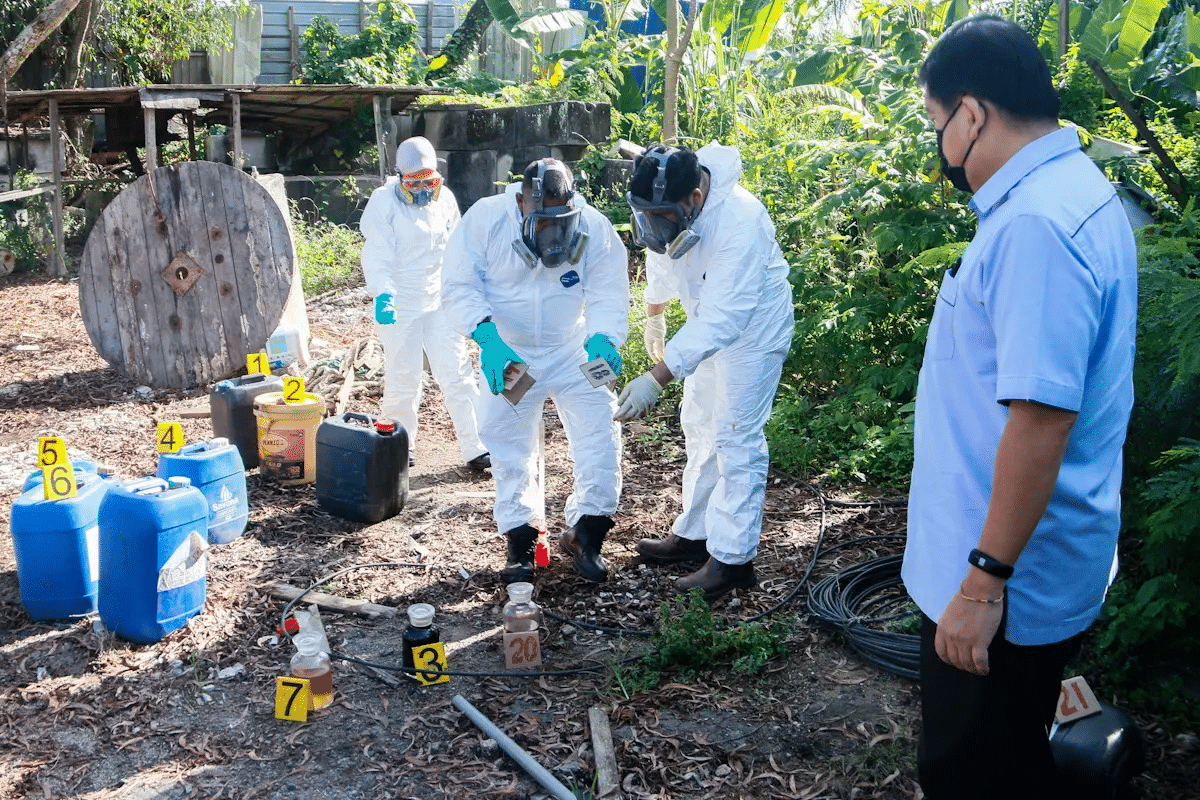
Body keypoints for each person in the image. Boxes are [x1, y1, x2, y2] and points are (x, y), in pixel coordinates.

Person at [902, 16, 1137, 800]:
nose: (939, 147)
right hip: (1018, 561)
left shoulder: (1037, 226)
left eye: (938, 125)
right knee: (1007, 753)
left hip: (1002, 584)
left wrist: (979, 588)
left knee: (973, 774)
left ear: (972, 114)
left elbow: (1043, 420)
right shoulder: (1075, 193)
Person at [616, 142, 794, 602]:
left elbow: (726, 317)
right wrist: (655, 311)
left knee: (736, 437)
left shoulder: (740, 221)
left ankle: (733, 560)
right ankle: (696, 534)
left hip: (752, 331)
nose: (653, 223)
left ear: (695, 199)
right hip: (705, 321)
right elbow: (660, 247)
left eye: (662, 215)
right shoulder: (669, 207)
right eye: (646, 214)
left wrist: (657, 376)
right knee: (699, 426)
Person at [440, 158, 629, 583]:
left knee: (601, 430)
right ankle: (522, 543)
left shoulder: (594, 228)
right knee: (508, 444)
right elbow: (458, 285)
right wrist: (485, 337)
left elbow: (609, 291)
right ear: (522, 202)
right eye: (542, 221)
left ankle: (588, 534)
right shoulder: (486, 220)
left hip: (575, 347)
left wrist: (604, 337)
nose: (552, 232)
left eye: (560, 221)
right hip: (511, 353)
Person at [360, 136, 491, 472]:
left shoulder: (444, 199)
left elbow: (457, 249)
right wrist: (383, 292)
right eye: (414, 182)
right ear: (401, 177)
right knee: (403, 377)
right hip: (399, 301)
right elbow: (377, 252)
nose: (422, 189)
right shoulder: (383, 202)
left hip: (438, 300)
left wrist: (468, 289)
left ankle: (477, 446)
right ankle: (401, 446)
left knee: (458, 372)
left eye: (429, 181)